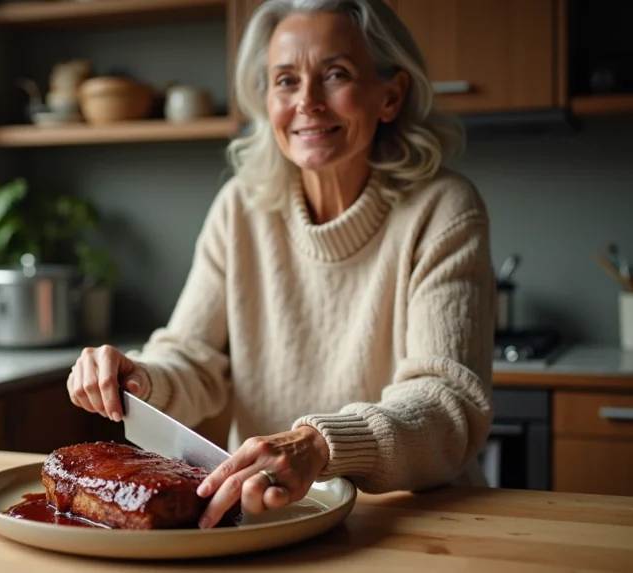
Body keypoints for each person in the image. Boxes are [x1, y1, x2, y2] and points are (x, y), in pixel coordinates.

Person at [66, 0, 494, 529]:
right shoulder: (240, 207)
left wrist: (319, 445)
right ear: (267, 101)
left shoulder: (443, 207)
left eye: (335, 74)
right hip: (264, 518)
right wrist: (141, 379)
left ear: (391, 95)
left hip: (412, 519)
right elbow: (192, 358)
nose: (307, 102)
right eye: (286, 81)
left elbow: (446, 405)